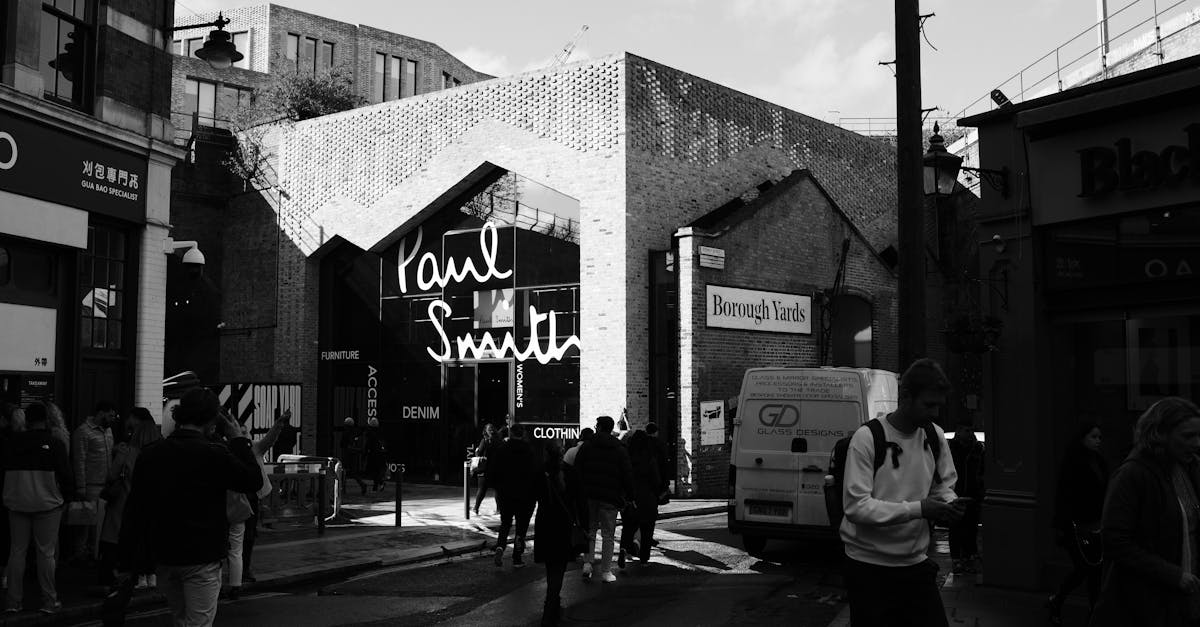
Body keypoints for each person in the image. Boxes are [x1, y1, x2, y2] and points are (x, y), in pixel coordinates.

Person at [118, 387, 263, 627]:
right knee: (197, 623)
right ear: (210, 420)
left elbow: (135, 510)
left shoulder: (151, 454)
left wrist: (126, 562)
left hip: (165, 554)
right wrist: (238, 440)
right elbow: (252, 480)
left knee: (181, 619)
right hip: (201, 555)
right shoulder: (214, 454)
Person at [840, 358, 962, 627]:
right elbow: (856, 508)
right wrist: (920, 509)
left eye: (939, 405)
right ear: (905, 397)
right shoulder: (867, 438)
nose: (936, 413)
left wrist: (949, 503)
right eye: (929, 405)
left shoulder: (934, 435)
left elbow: (942, 485)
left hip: (915, 564)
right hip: (868, 568)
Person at [1090, 397, 1200, 627]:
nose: (1197, 443)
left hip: (1181, 599)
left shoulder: (1186, 468)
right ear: (1160, 434)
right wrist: (1173, 575)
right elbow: (1115, 541)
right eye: (1188, 436)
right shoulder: (1133, 474)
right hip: (1145, 603)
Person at [3, 401, 72, 615]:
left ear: (27, 419)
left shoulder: (11, 442)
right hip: (47, 504)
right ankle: (49, 601)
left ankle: (13, 602)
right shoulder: (54, 443)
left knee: (17, 552)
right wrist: (67, 497)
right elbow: (66, 475)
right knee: (46, 554)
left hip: (17, 501)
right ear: (46, 419)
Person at [1046, 421, 1108, 625]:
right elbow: (1064, 494)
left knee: (1094, 570)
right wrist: (1064, 525)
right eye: (1093, 437)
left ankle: (1092, 610)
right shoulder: (1073, 461)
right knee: (1084, 567)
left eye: (1099, 437)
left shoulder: (1098, 461)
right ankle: (1058, 600)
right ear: (1082, 438)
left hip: (1094, 523)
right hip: (1076, 524)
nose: (1098, 441)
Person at [100, 417, 162, 590]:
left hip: (125, 502)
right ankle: (150, 575)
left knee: (123, 538)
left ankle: (132, 574)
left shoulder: (127, 452)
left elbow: (112, 475)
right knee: (147, 538)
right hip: (151, 503)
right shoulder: (159, 453)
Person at [574, 415, 633, 583]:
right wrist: (629, 495)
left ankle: (587, 563)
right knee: (608, 535)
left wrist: (580, 492)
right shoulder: (619, 448)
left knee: (590, 530)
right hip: (610, 496)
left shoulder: (587, 446)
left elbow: (578, 469)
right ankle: (606, 571)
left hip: (590, 495)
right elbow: (627, 474)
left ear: (598, 427)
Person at [534, 439, 587, 626]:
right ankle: (550, 608)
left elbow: (533, 498)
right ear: (562, 452)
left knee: (551, 567)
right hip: (564, 525)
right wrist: (585, 526)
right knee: (559, 568)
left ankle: (553, 606)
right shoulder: (571, 473)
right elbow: (581, 502)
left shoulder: (540, 472)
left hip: (545, 524)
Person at [487, 423, 540, 568]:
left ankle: (500, 547)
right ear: (522, 434)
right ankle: (517, 557)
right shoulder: (529, 451)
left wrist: (498, 487)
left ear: (510, 433)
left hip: (505, 493)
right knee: (521, 527)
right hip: (525, 495)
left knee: (505, 523)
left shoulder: (502, 449)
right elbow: (535, 473)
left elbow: (494, 471)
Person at [71, 400, 115, 563]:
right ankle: (80, 554)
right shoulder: (83, 432)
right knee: (85, 523)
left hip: (105, 485)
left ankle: (94, 553)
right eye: (110, 415)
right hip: (90, 485)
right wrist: (81, 486)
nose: (112, 419)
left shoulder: (109, 431)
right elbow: (79, 460)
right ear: (101, 413)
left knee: (99, 525)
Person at [619, 429, 665, 567]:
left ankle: (623, 549)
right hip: (647, 497)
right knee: (647, 529)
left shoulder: (627, 457)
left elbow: (623, 477)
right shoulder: (649, 458)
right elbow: (655, 480)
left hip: (631, 497)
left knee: (628, 527)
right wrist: (659, 493)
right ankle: (644, 559)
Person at [947, 415, 984, 575]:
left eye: (971, 430)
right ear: (959, 430)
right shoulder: (951, 449)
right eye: (967, 430)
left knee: (970, 528)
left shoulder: (977, 449)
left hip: (971, 493)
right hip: (956, 493)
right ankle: (958, 560)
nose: (970, 433)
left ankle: (968, 557)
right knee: (956, 528)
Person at [472, 423, 500, 515]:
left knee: (481, 490)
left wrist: (476, 451)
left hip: (484, 469)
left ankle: (476, 508)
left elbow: (479, 453)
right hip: (496, 469)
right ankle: (499, 509)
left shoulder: (484, 441)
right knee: (497, 490)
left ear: (486, 431)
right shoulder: (499, 441)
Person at [339, 417, 367, 496]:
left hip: (347, 454)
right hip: (354, 454)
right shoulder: (355, 432)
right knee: (353, 472)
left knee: (343, 471)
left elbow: (342, 444)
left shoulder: (346, 433)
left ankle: (343, 489)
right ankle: (362, 484)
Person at [364, 417, 388, 492]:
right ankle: (378, 484)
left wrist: (364, 453)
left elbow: (368, 444)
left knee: (373, 471)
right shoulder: (381, 432)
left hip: (373, 454)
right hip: (381, 454)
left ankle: (378, 484)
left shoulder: (370, 433)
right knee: (378, 470)